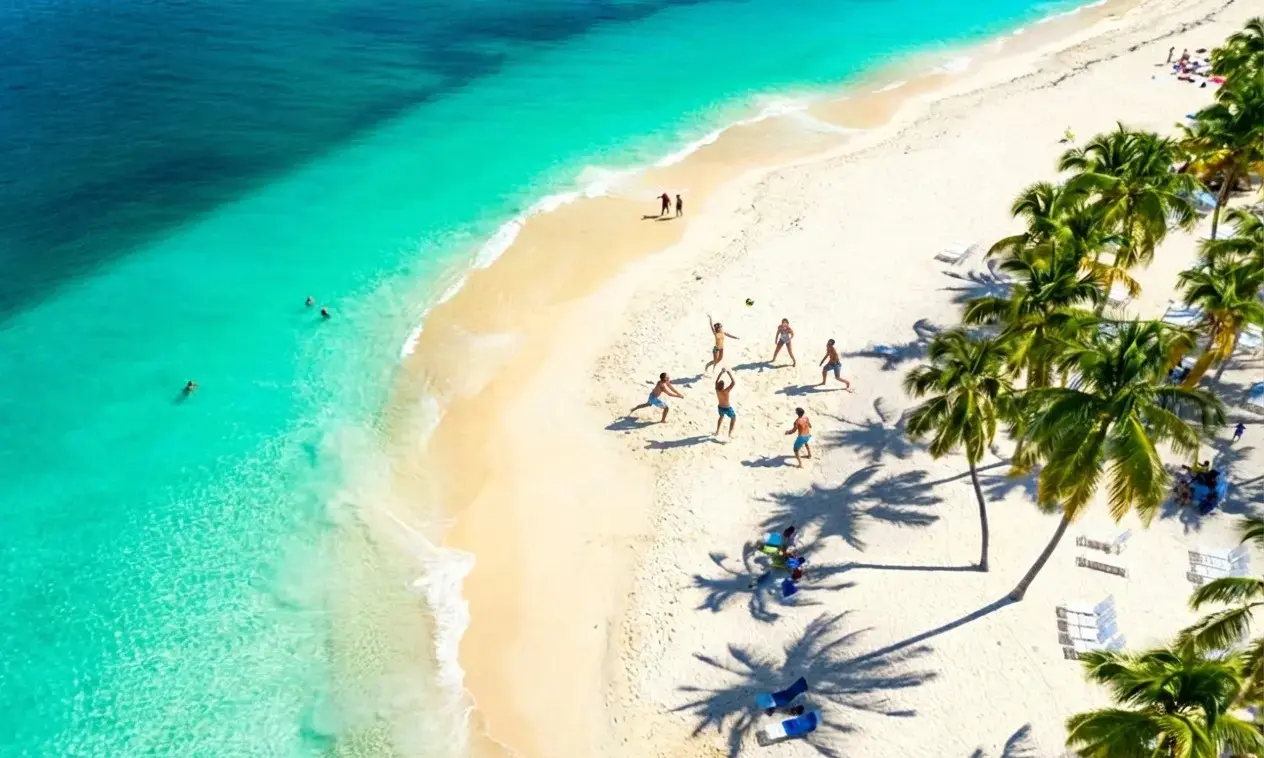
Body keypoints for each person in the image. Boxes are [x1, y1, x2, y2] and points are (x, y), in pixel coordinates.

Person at [714, 368, 737, 437]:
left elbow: (716, 381)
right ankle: (730, 433)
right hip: (727, 408)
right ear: (723, 386)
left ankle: (717, 431)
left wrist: (721, 373)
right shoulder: (726, 391)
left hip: (720, 407)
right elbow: (733, 383)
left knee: (721, 417)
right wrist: (728, 373)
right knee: (733, 417)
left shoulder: (717, 390)